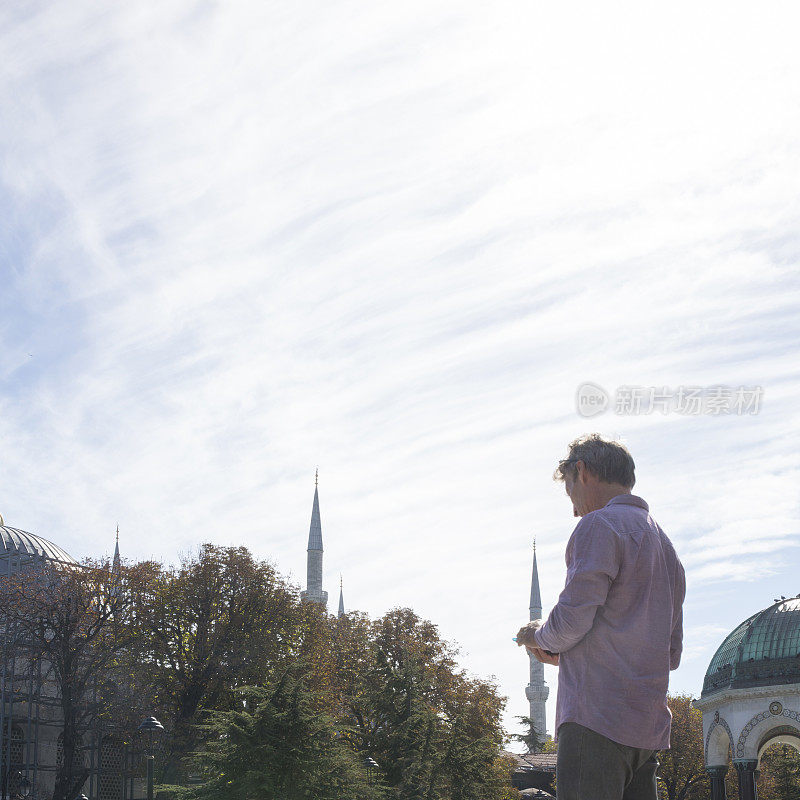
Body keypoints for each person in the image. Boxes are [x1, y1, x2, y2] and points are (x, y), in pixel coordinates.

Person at [517, 434, 685, 800]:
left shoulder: (599, 526)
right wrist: (572, 655)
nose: (575, 510)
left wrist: (535, 635)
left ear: (583, 471)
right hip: (644, 731)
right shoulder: (666, 547)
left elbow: (569, 623)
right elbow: (669, 654)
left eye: (571, 493)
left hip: (596, 723)